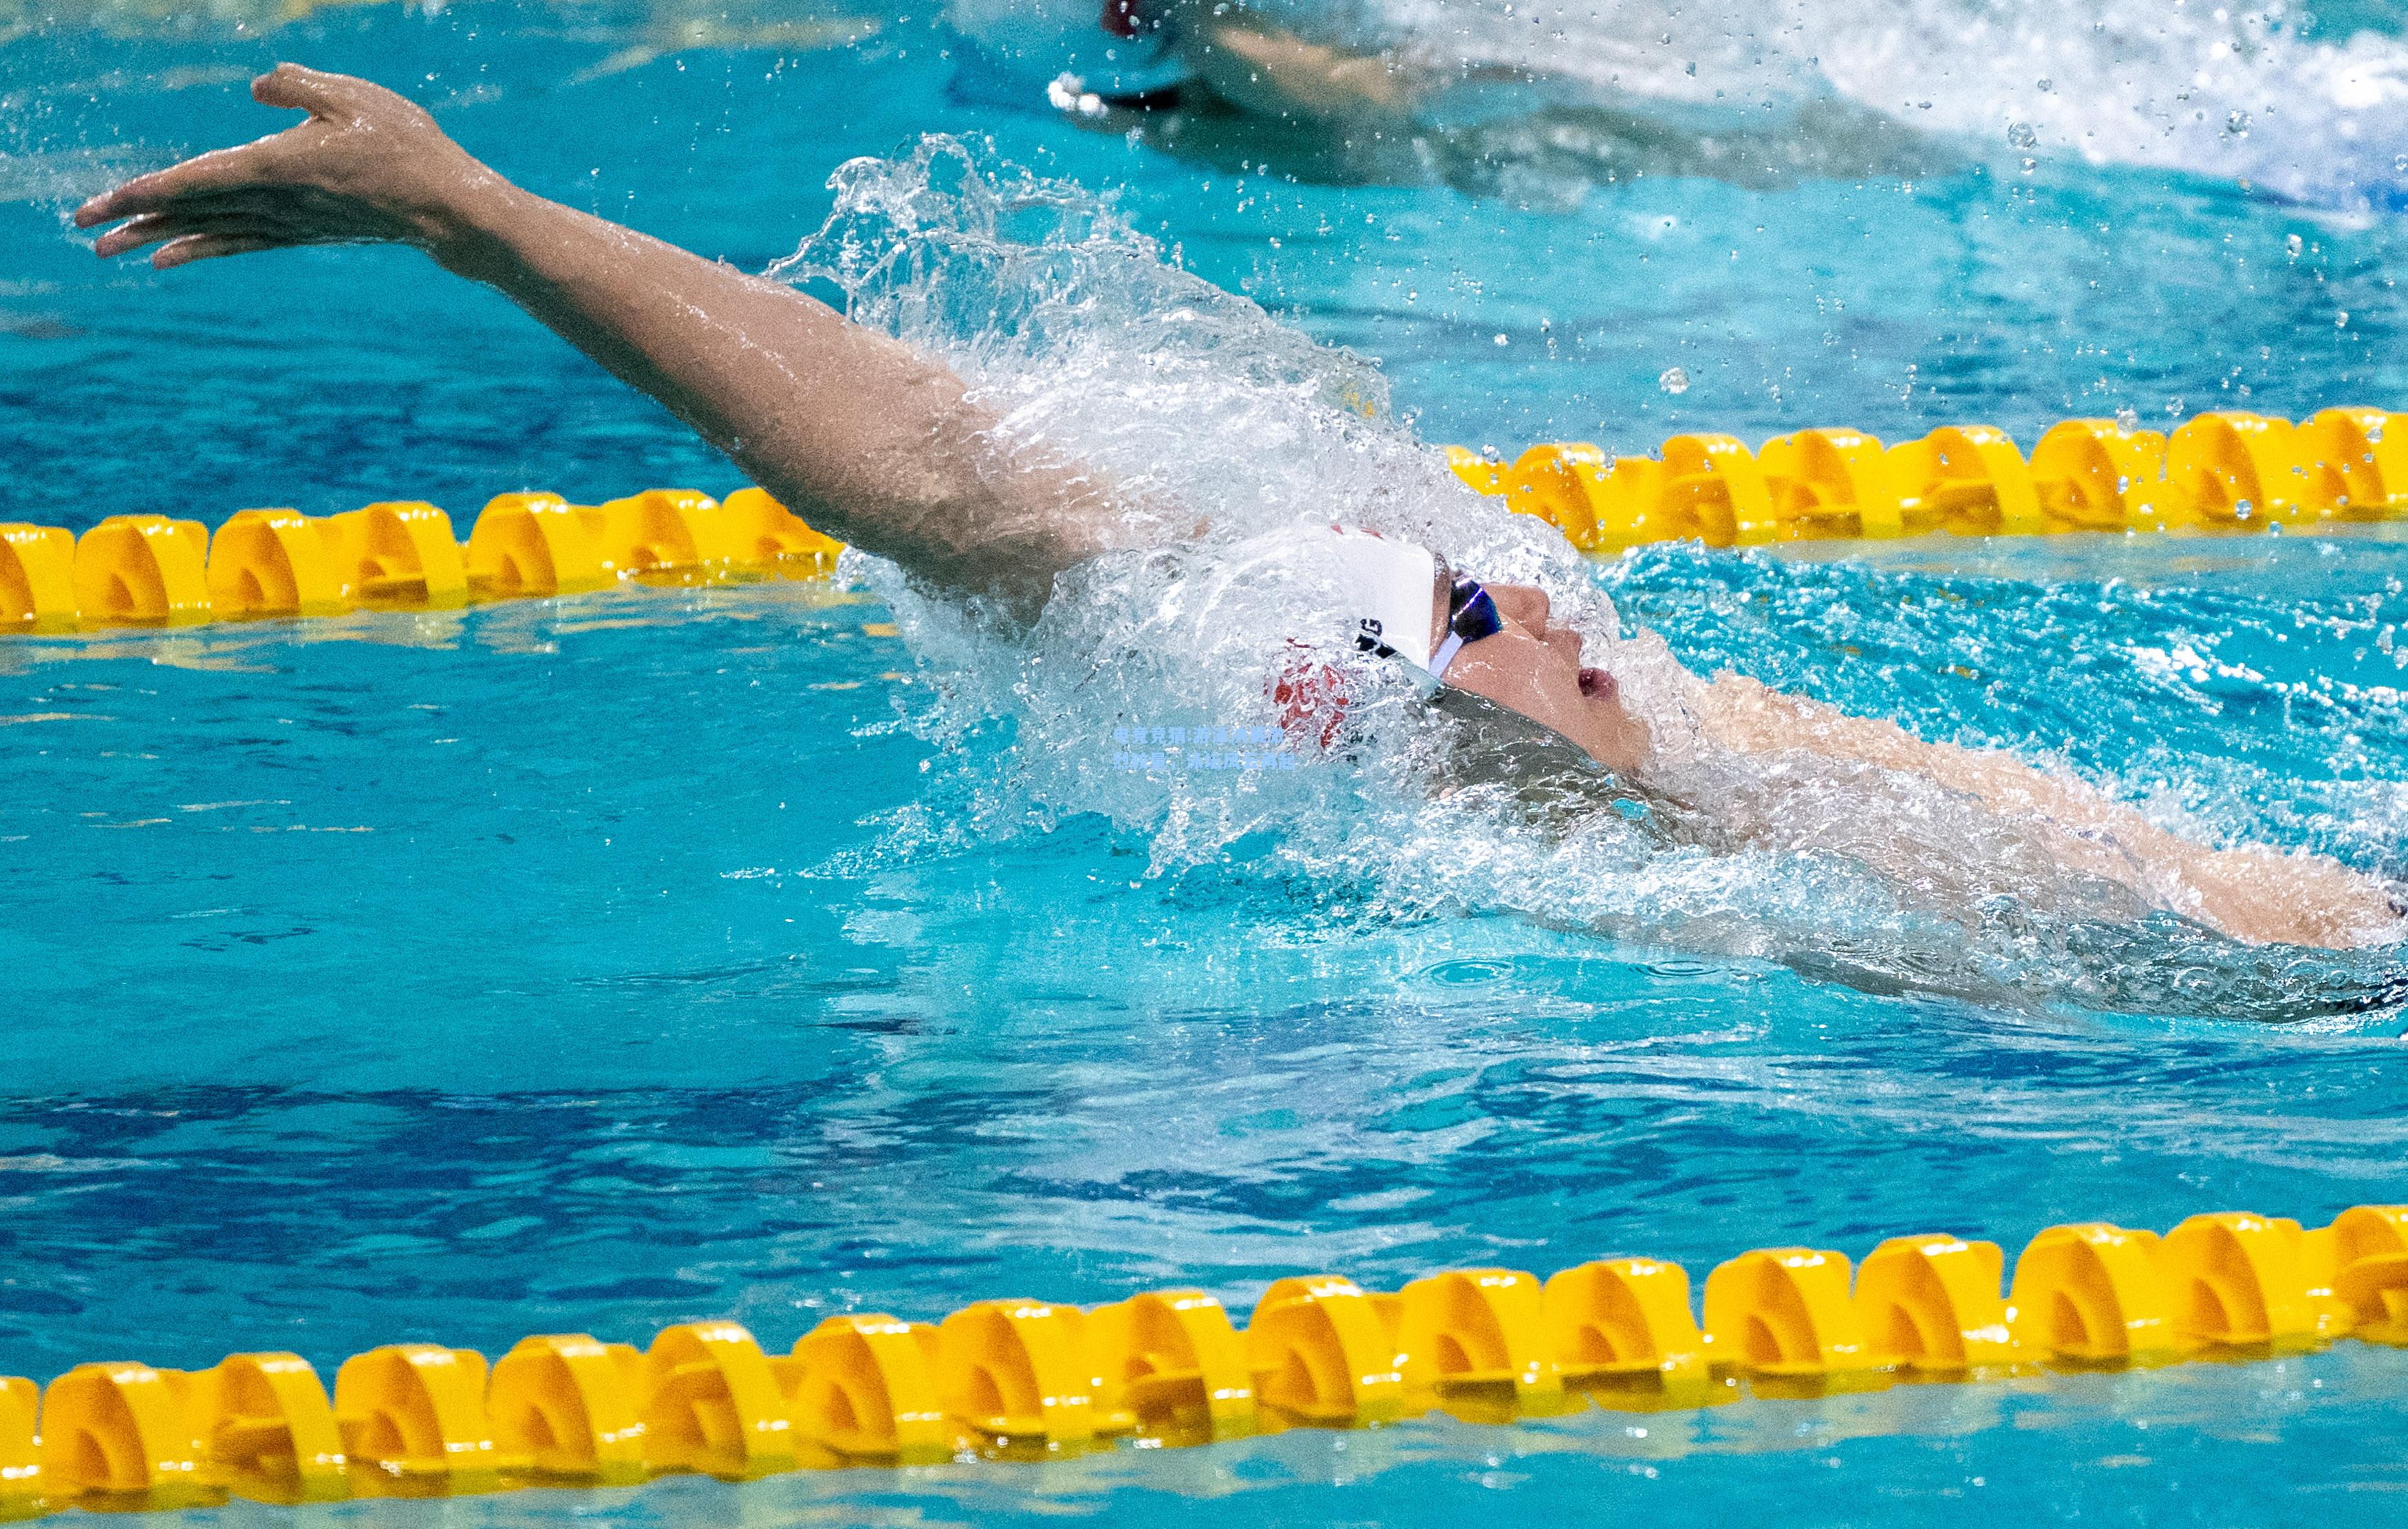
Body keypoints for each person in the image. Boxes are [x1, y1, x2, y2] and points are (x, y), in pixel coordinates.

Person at [76, 65, 2400, 953]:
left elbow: (960, 469)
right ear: (1417, 695)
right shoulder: (1570, 816)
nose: (1576, 636)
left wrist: (471, 210)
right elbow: (920, 475)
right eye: (1500, 631)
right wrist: (464, 210)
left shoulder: (1609, 768)